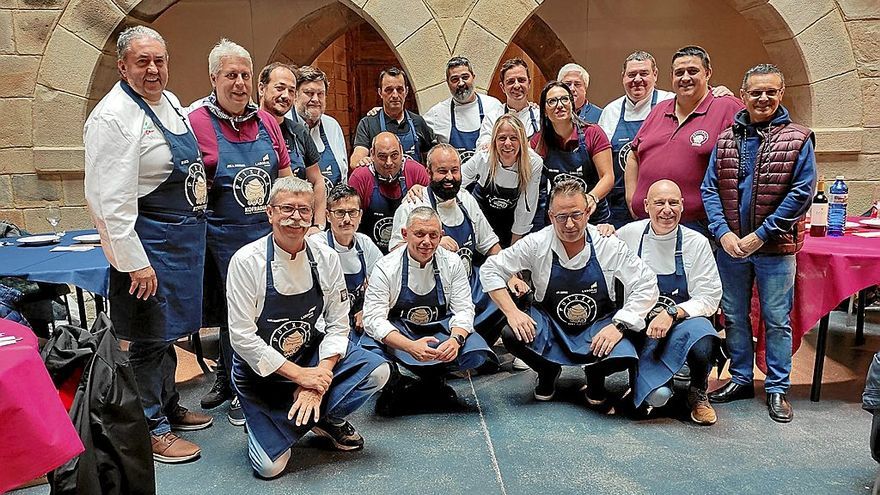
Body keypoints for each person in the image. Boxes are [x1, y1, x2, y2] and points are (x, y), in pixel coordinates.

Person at [84, 25, 212, 464]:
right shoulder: (113, 116)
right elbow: (109, 200)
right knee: (146, 338)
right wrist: (133, 263)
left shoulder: (171, 102)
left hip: (180, 242)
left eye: (159, 60)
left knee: (168, 333)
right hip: (149, 243)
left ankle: (170, 406)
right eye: (142, 61)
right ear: (123, 66)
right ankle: (150, 427)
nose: (153, 69)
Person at [226, 176, 390, 479]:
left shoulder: (324, 258)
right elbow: (242, 338)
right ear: (270, 212)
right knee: (269, 468)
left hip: (308, 358)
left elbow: (339, 324)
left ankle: (327, 418)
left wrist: (318, 379)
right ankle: (261, 423)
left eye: (304, 210)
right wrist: (301, 376)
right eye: (287, 209)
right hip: (262, 376)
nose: (296, 217)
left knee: (378, 371)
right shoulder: (246, 262)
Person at [702, 64, 816, 423]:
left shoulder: (798, 138)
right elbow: (710, 189)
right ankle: (739, 378)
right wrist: (723, 233)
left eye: (770, 91)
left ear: (780, 94)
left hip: (775, 249)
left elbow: (802, 193)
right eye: (755, 92)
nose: (763, 98)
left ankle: (777, 388)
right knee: (734, 315)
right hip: (732, 248)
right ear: (744, 94)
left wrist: (760, 235)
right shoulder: (726, 139)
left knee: (776, 318)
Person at [188, 39, 293, 424]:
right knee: (232, 315)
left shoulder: (266, 122)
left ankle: (248, 382)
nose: (239, 83)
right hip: (221, 238)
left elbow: (284, 179)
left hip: (265, 236)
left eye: (245, 75)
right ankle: (230, 380)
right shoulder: (195, 121)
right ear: (214, 78)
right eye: (231, 75)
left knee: (266, 311)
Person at [480, 180, 658, 405]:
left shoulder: (608, 245)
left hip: (597, 325)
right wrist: (512, 312)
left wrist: (619, 325)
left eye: (576, 215)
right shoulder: (536, 243)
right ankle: (547, 370)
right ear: (551, 216)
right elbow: (490, 269)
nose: (570, 224)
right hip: (552, 326)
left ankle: (596, 375)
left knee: (624, 353)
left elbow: (647, 283)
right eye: (562, 217)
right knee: (511, 334)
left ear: (587, 212)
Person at [361, 206, 496, 412]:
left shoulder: (452, 262)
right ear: (405, 234)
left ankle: (430, 381)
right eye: (419, 234)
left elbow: (463, 309)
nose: (427, 242)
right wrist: (409, 346)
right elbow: (373, 320)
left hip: (438, 333)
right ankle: (397, 383)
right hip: (401, 334)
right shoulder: (386, 267)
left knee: (476, 350)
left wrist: (455, 340)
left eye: (433, 235)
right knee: (370, 356)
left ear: (441, 235)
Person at [616, 180, 721, 425]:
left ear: (682, 206)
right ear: (646, 206)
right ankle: (650, 381)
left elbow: (709, 296)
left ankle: (698, 391)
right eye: (659, 203)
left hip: (681, 325)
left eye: (673, 203)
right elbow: (598, 251)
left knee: (704, 336)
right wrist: (603, 230)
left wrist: (673, 312)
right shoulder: (629, 235)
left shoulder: (696, 242)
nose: (667, 209)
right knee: (659, 397)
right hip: (643, 329)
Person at [388, 144, 514, 346]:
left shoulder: (467, 200)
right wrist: (434, 244)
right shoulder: (413, 205)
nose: (449, 177)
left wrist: (511, 275)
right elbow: (394, 254)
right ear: (428, 173)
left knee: (514, 291)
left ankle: (480, 339)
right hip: (435, 295)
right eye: (442, 171)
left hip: (470, 287)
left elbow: (490, 245)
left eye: (454, 171)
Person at [625, 45, 743, 238]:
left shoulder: (727, 107)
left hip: (697, 226)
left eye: (693, 71)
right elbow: (633, 153)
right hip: (647, 222)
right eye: (679, 72)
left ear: (708, 73)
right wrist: (632, 199)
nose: (685, 78)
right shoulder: (659, 109)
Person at [531, 81, 614, 229]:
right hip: (560, 219)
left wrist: (592, 198)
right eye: (552, 101)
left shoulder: (593, 133)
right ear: (544, 110)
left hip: (593, 218)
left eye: (564, 99)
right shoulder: (538, 141)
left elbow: (607, 176)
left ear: (571, 104)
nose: (559, 105)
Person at [257, 62, 328, 220]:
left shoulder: (299, 132)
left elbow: (317, 180)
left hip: (295, 223)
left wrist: (318, 224)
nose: (286, 96)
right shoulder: (247, 128)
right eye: (280, 88)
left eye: (291, 91)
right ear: (262, 89)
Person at [312, 184, 383, 338]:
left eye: (352, 212)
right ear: (327, 216)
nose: (346, 219)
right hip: (325, 325)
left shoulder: (365, 244)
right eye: (339, 213)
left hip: (358, 323)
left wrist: (367, 309)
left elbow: (383, 285)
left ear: (360, 215)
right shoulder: (316, 246)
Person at [462, 114, 543, 247]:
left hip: (510, 222)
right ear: (494, 140)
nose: (507, 143)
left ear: (522, 141)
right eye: (502, 138)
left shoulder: (533, 163)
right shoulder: (483, 158)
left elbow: (526, 207)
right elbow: (456, 183)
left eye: (513, 138)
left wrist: (513, 249)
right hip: (480, 218)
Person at [348, 132, 430, 253]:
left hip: (410, 252)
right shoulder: (361, 177)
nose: (389, 162)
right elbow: (351, 221)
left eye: (394, 155)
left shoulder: (416, 172)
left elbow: (433, 216)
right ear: (372, 154)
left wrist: (423, 191)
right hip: (370, 251)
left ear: (402, 151)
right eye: (382, 156)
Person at [350, 67, 438, 167]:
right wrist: (361, 161)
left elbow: (431, 158)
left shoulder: (418, 121)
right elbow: (356, 159)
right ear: (380, 93)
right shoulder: (368, 124)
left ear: (406, 91)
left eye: (400, 89)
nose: (395, 95)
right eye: (389, 90)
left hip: (415, 182)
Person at [423, 56, 503, 162]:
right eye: (455, 79)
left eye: (465, 77)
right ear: (447, 82)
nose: (461, 83)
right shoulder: (437, 113)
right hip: (453, 177)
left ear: (473, 77)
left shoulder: (493, 106)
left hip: (488, 176)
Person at [290, 65, 350, 191]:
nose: (315, 99)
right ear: (295, 95)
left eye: (320, 94)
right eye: (309, 93)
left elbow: (344, 176)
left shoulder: (333, 126)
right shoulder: (283, 125)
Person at [476, 58, 541, 148]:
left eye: (521, 80)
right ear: (503, 87)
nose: (517, 85)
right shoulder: (492, 118)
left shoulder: (540, 116)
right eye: (510, 82)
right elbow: (482, 149)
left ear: (529, 83)